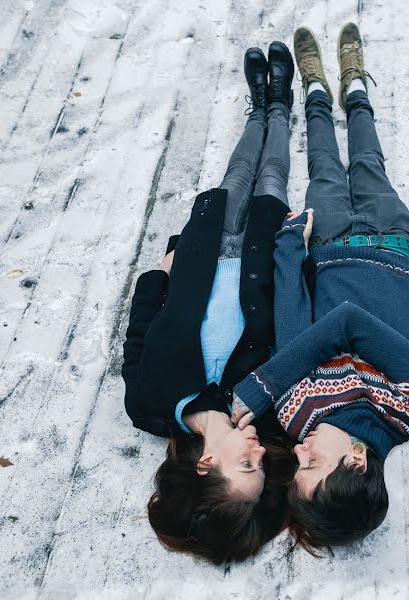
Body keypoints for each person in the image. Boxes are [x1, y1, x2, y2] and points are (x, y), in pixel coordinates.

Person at [231, 24, 409, 552]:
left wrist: (289, 245)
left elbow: (295, 316)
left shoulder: (296, 412)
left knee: (325, 165)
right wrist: (265, 382)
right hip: (392, 244)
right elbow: (350, 323)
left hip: (328, 244)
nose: (299, 452)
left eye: (296, 467)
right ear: (356, 459)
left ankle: (314, 89)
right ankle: (356, 86)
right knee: (369, 162)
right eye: (312, 464)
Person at [121, 42, 296, 564]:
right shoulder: (265, 411)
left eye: (247, 466)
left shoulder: (148, 406)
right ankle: (280, 107)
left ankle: (259, 107)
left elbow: (138, 334)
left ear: (206, 464)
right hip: (260, 253)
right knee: (273, 176)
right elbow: (292, 326)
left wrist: (160, 272)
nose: (259, 455)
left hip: (201, 255)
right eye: (262, 467)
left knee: (239, 171)